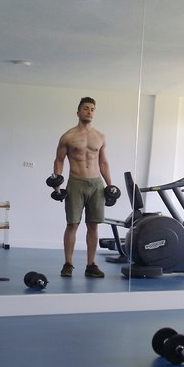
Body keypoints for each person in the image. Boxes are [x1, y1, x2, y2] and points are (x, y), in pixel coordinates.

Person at [52, 97, 114, 278]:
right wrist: (57, 184)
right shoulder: (68, 136)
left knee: (93, 226)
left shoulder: (100, 137)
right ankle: (68, 264)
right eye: (86, 108)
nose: (89, 112)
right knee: (72, 224)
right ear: (78, 112)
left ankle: (91, 265)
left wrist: (110, 185)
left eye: (92, 109)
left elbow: (103, 162)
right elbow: (59, 160)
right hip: (76, 183)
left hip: (96, 185)